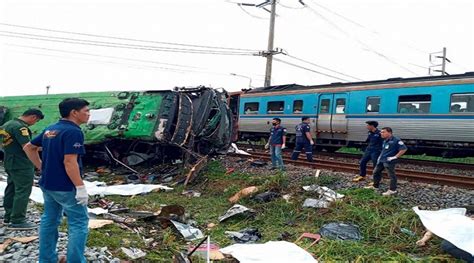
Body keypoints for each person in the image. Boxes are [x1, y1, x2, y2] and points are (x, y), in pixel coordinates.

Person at [24, 98, 90, 262]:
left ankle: (46, 259)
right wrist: (80, 188)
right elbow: (70, 162)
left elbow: (29, 148)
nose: (89, 114)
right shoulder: (74, 132)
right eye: (86, 111)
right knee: (79, 222)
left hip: (48, 184)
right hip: (65, 186)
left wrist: (42, 167)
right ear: (74, 113)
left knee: (50, 219)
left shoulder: (51, 129)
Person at [0, 109, 44, 230]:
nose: (34, 123)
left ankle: (9, 216)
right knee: (23, 190)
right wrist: (40, 162)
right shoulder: (21, 128)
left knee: (11, 187)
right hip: (22, 163)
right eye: (36, 121)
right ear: (33, 117)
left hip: (9, 160)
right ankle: (18, 220)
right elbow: (28, 147)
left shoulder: (7, 124)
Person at [365, 127, 407, 196]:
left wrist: (395, 157)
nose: (381, 133)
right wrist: (380, 157)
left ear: (389, 133)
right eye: (381, 132)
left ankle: (392, 190)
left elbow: (404, 149)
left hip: (389, 161)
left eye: (383, 132)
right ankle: (375, 186)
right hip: (382, 159)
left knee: (391, 175)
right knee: (375, 172)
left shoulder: (396, 140)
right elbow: (384, 150)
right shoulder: (385, 140)